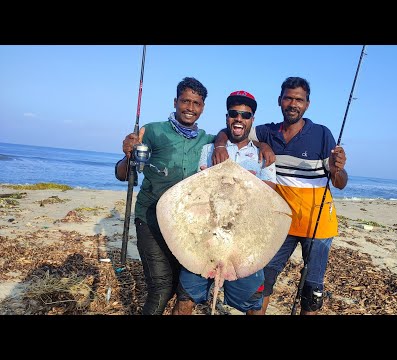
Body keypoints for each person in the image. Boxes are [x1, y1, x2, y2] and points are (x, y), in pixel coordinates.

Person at [213, 77, 348, 315]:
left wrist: (338, 169)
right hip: (281, 222)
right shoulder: (268, 131)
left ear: (307, 104)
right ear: (280, 101)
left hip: (318, 225)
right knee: (263, 282)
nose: (293, 104)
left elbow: (340, 183)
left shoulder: (321, 134)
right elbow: (231, 130)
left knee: (311, 291)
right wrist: (221, 146)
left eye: (299, 99)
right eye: (288, 98)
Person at [115, 77, 216, 315]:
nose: (190, 108)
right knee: (160, 288)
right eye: (185, 101)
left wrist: (263, 147)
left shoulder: (207, 140)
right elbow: (121, 175)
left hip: (184, 225)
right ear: (175, 101)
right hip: (150, 220)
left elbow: (232, 138)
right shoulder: (151, 131)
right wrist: (127, 155)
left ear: (202, 107)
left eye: (196, 103)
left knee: (175, 287)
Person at [172, 90, 277, 315]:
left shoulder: (263, 155)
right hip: (205, 240)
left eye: (245, 115)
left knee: (253, 303)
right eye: (234, 113)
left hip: (245, 243)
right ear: (227, 117)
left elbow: (269, 196)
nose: (239, 119)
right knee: (186, 298)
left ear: (252, 120)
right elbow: (194, 191)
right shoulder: (209, 149)